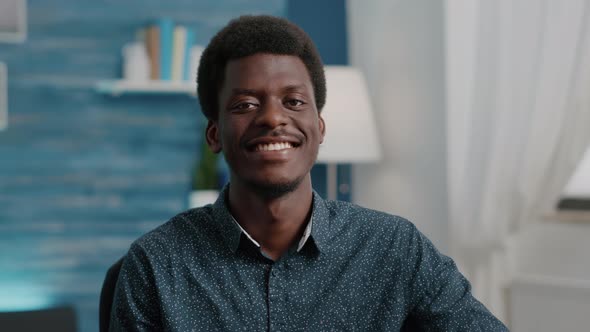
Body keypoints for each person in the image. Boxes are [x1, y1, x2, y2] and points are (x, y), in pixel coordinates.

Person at [109, 15, 508, 331]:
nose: (272, 117)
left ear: (319, 128)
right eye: (246, 104)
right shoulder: (155, 265)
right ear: (214, 134)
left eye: (294, 101)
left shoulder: (396, 249)